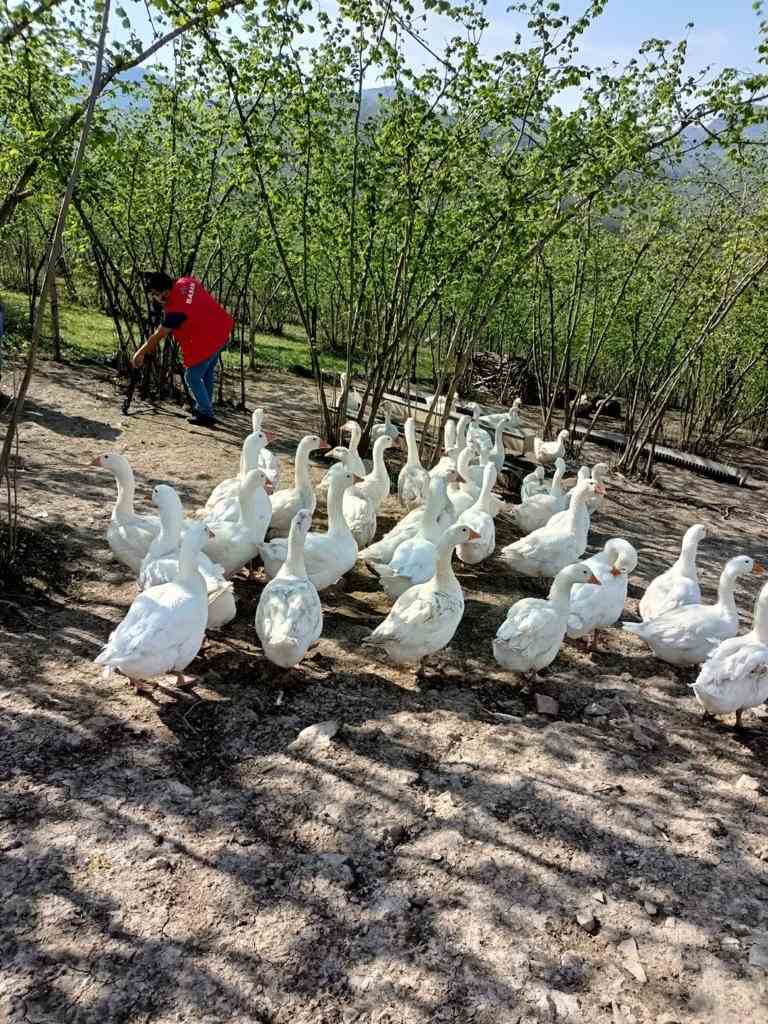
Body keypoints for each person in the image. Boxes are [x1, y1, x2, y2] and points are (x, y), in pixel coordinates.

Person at [132, 271, 234, 428]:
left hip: (208, 339)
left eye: (155, 294)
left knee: (192, 376)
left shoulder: (176, 311)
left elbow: (159, 335)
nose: (154, 297)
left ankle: (206, 413)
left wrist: (140, 352)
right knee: (205, 373)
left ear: (165, 292)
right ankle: (205, 410)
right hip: (222, 329)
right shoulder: (186, 282)